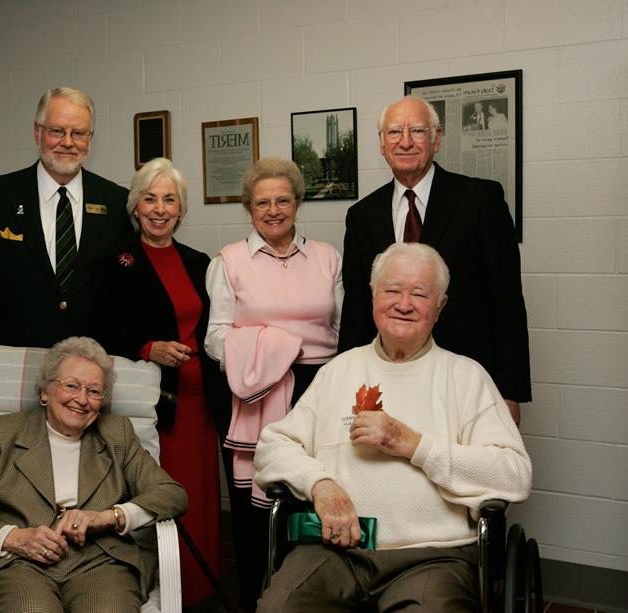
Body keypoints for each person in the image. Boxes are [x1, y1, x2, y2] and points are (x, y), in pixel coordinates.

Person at [254, 242, 532, 612]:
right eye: (392, 291)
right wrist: (319, 485)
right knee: (280, 607)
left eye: (419, 294)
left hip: (432, 556)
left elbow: (514, 475)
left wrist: (414, 445)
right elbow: (273, 446)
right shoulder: (339, 370)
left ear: (440, 307)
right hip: (336, 549)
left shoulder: (465, 377)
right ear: (372, 296)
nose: (403, 304)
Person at [0, 336, 187, 612]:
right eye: (72, 386)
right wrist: (14, 538)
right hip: (16, 563)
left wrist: (108, 517)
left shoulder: (117, 435)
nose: (82, 400)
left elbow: (171, 494)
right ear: (45, 391)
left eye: (94, 391)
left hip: (100, 561)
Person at [338, 95, 531, 423]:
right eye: (395, 132)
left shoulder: (481, 200)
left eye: (417, 130)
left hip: (466, 382)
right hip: (389, 381)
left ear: (436, 139)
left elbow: (507, 301)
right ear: (382, 144)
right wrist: (346, 387)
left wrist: (509, 392)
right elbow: (356, 309)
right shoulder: (362, 216)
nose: (406, 141)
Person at [205, 157, 343, 610]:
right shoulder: (229, 261)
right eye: (262, 202)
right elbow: (215, 337)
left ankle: (310, 597)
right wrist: (272, 354)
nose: (273, 210)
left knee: (313, 498)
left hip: (318, 388)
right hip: (255, 394)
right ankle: (255, 600)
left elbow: (344, 329)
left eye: (283, 199)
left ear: (298, 202)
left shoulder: (327, 257)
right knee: (251, 516)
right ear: (248, 208)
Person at [96, 158, 230, 608]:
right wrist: (146, 347)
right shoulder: (117, 262)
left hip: (199, 407)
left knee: (201, 500)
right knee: (158, 497)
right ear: (135, 206)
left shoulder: (199, 262)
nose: (159, 209)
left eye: (169, 199)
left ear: (181, 208)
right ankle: (164, 591)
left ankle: (203, 585)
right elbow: (100, 329)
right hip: (155, 410)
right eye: (150, 199)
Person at [0, 87, 130, 380]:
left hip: (91, 376)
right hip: (14, 368)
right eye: (57, 130)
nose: (68, 142)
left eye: (79, 133)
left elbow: (128, 292)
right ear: (37, 132)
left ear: (90, 139)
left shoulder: (116, 202)